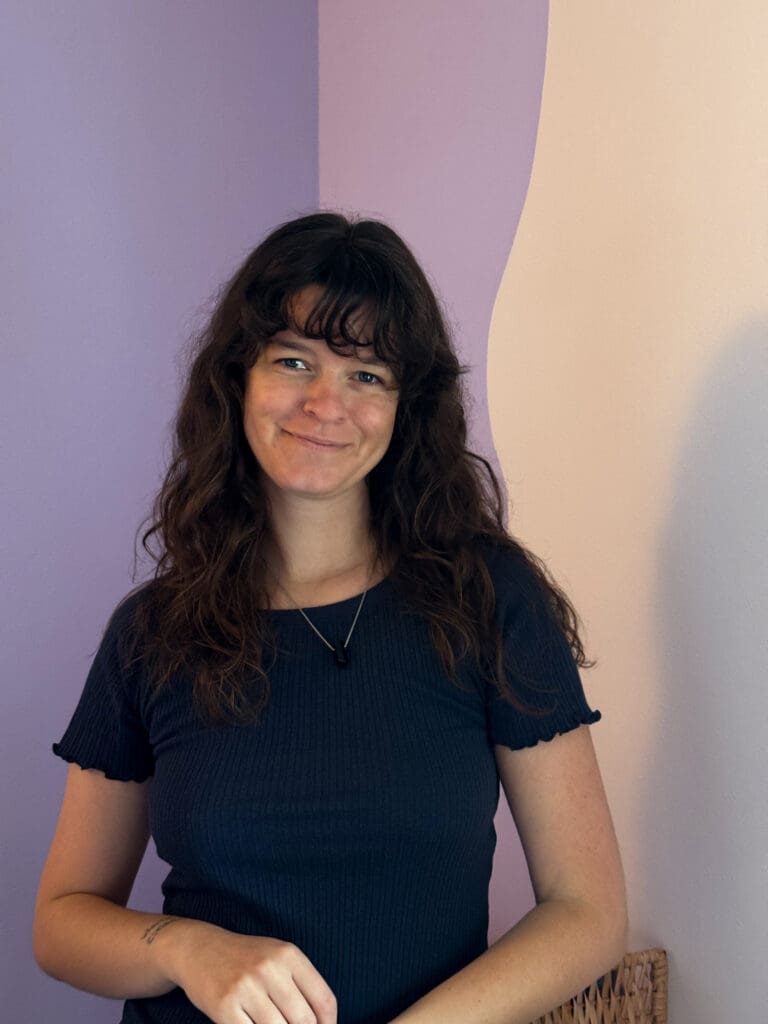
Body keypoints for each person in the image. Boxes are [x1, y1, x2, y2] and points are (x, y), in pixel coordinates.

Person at [33, 211, 627, 1024]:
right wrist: (185, 946)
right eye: (292, 360)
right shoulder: (151, 635)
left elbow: (586, 913)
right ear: (237, 380)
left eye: (367, 375)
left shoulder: (488, 599)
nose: (324, 402)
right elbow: (61, 921)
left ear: (405, 407)